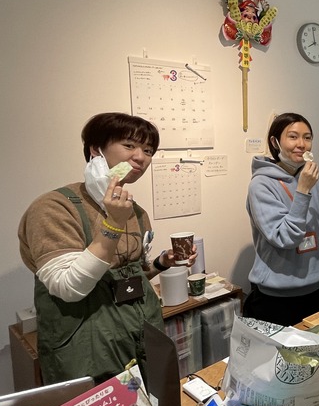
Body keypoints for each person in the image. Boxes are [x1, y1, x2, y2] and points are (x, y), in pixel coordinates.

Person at [18, 112, 194, 384]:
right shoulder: (54, 207)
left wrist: (161, 263)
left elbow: (129, 277)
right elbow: (68, 287)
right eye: (129, 145)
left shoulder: (136, 212)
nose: (140, 157)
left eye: (148, 151)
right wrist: (112, 224)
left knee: (151, 403)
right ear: (95, 150)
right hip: (87, 348)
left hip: (140, 335)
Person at [244, 113, 319, 326]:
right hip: (276, 298)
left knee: (317, 347)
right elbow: (285, 238)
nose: (301, 144)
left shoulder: (313, 180)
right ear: (275, 142)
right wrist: (303, 190)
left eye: (307, 137)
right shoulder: (261, 185)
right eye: (293, 137)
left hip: (316, 290)